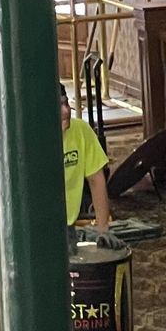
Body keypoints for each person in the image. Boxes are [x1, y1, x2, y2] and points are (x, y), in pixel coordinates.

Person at [62, 84, 111, 231]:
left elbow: (96, 180)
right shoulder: (30, 140)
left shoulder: (81, 131)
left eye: (66, 103)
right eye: (57, 106)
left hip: (70, 223)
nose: (65, 111)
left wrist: (103, 230)